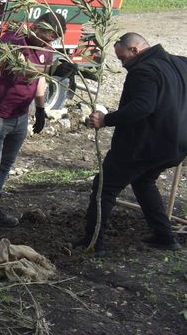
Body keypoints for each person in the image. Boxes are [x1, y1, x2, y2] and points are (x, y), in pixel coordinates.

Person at [76, 33, 187, 254]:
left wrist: (105, 119)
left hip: (145, 146)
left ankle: (93, 243)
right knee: (144, 182)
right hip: (176, 145)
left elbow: (142, 107)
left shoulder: (143, 71)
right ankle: (165, 237)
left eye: (122, 58)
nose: (123, 64)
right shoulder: (180, 62)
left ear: (135, 50)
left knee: (104, 187)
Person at [0, 11, 66, 236]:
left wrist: (40, 108)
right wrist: (52, 71)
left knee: (6, 163)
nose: (50, 42)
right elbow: (22, 68)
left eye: (53, 39)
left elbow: (38, 79)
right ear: (38, 29)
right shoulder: (13, 41)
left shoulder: (46, 51)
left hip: (19, 115)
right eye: (48, 37)